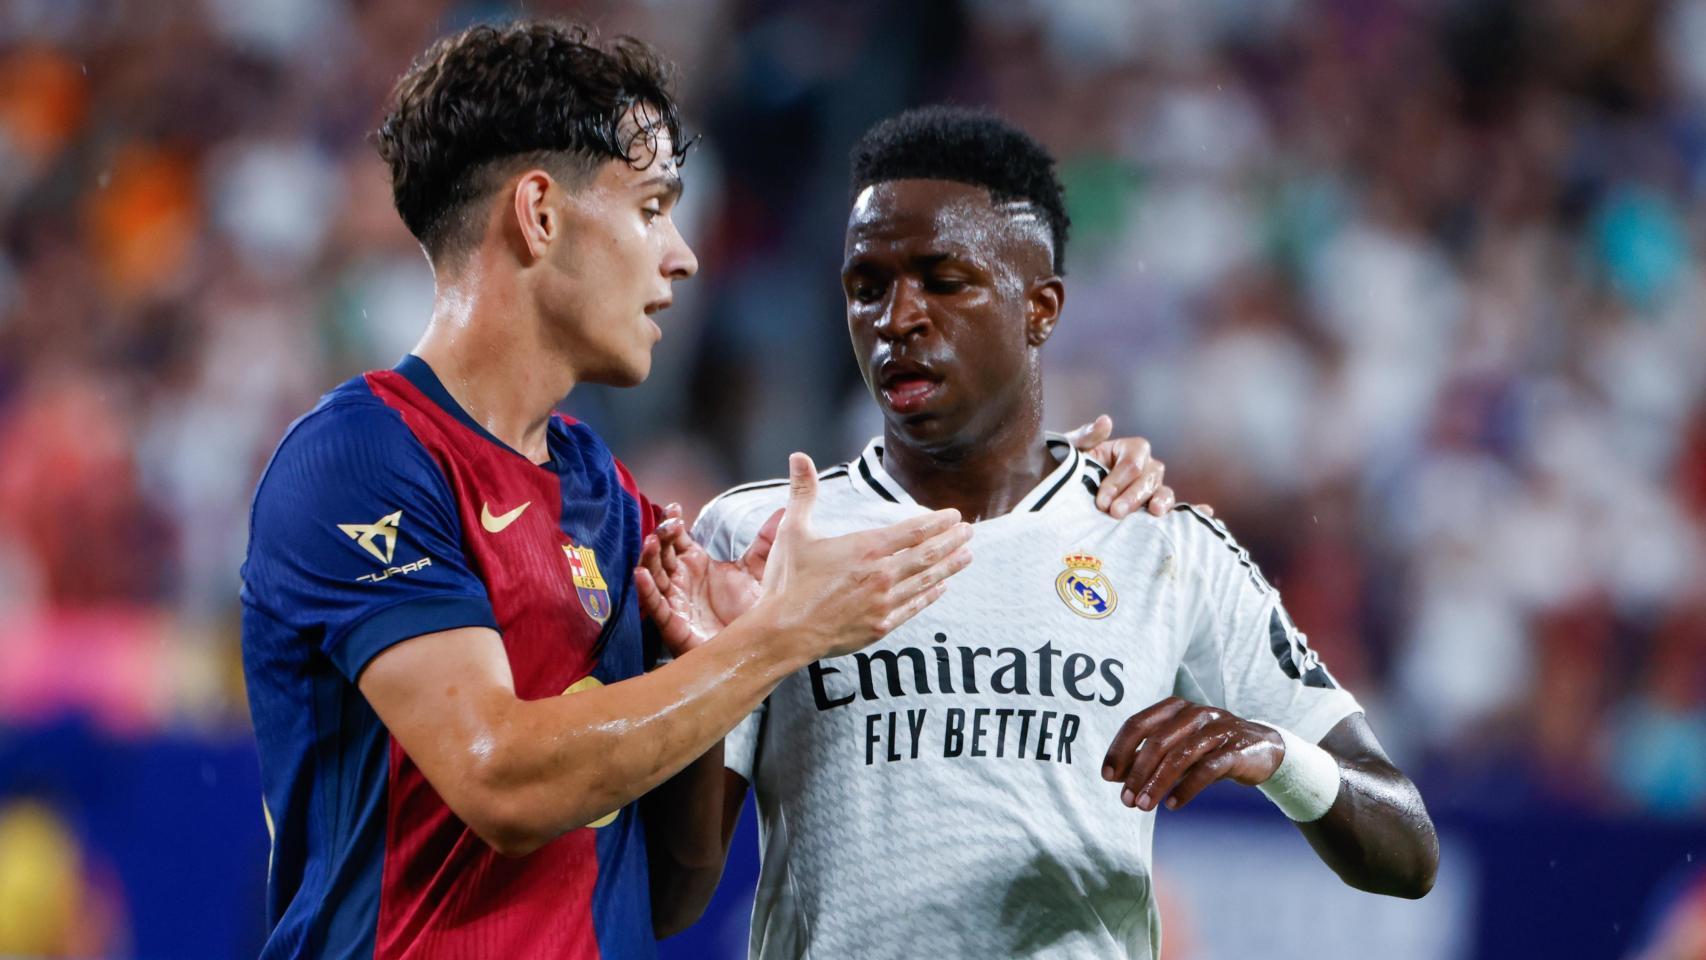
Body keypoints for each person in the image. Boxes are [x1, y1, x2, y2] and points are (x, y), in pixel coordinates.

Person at [239, 23, 1167, 959]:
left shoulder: (605, 497)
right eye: (651, 208)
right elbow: (501, 782)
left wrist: (1058, 488)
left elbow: (671, 892)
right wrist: (773, 640)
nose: (681, 255)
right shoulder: (360, 459)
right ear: (540, 214)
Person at [646, 106, 1440, 959]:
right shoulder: (764, 534)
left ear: (1041, 309)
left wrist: (1277, 753)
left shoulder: (1158, 541)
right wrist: (711, 662)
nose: (896, 317)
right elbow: (674, 895)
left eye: (943, 281)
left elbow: (1407, 849)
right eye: (867, 285)